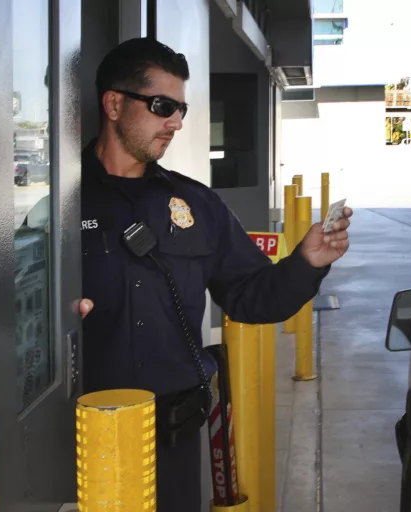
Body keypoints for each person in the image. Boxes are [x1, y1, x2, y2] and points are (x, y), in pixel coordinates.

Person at [78, 38, 352, 511]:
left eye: (181, 109)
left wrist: (307, 262)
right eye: (163, 106)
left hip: (173, 438)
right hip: (84, 437)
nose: (177, 123)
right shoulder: (63, 204)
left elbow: (252, 297)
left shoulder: (197, 205)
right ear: (115, 103)